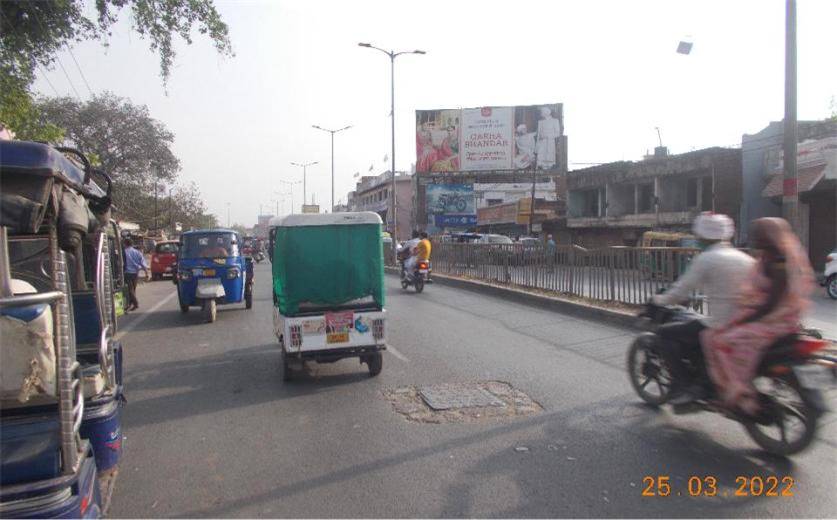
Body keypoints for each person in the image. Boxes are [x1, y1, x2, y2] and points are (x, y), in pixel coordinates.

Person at [701, 218, 814, 418]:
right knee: (713, 335)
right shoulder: (768, 258)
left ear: (767, 236)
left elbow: (771, 303)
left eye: (757, 235)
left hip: (774, 321)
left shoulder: (779, 262)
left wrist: (747, 319)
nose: (753, 239)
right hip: (771, 318)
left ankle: (739, 391)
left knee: (719, 340)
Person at [651, 213, 756, 404]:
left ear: (702, 237)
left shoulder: (706, 259)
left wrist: (658, 300)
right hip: (746, 323)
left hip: (719, 324)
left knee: (665, 333)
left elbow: (680, 291)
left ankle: (681, 385)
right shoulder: (745, 258)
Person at [123, 237, 150, 311]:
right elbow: (143, 264)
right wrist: (146, 273)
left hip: (127, 273)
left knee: (130, 289)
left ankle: (135, 303)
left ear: (125, 244)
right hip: (135, 273)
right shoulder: (137, 252)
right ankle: (130, 304)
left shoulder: (124, 252)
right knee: (133, 289)